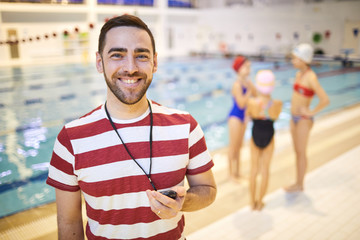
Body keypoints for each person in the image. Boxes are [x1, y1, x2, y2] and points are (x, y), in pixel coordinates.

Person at [46, 15, 217, 240]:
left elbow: (208, 190)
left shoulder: (185, 126)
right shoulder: (71, 139)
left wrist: (184, 201)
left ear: (154, 62)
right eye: (117, 55)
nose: (130, 68)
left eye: (141, 56)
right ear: (99, 62)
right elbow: (69, 223)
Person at [284, 43, 330, 192]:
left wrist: (311, 112)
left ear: (304, 59)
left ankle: (300, 184)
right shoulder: (299, 74)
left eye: (295, 58)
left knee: (301, 152)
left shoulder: (311, 77)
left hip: (303, 120)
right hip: (294, 118)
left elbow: (325, 100)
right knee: (297, 152)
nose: (293, 61)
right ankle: (298, 183)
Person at [247, 70, 282, 210]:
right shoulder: (277, 104)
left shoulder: (252, 102)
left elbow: (249, 116)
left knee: (254, 169)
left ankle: (252, 202)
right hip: (269, 134)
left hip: (256, 133)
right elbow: (276, 118)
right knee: (265, 169)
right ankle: (260, 202)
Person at [228, 56, 256, 181]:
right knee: (233, 146)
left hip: (244, 118)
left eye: (249, 67)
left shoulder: (247, 83)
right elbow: (241, 103)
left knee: (239, 146)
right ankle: (231, 174)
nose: (249, 69)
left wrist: (251, 87)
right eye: (246, 67)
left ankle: (238, 172)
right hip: (235, 117)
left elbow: (257, 95)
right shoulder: (237, 85)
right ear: (239, 69)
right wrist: (249, 91)